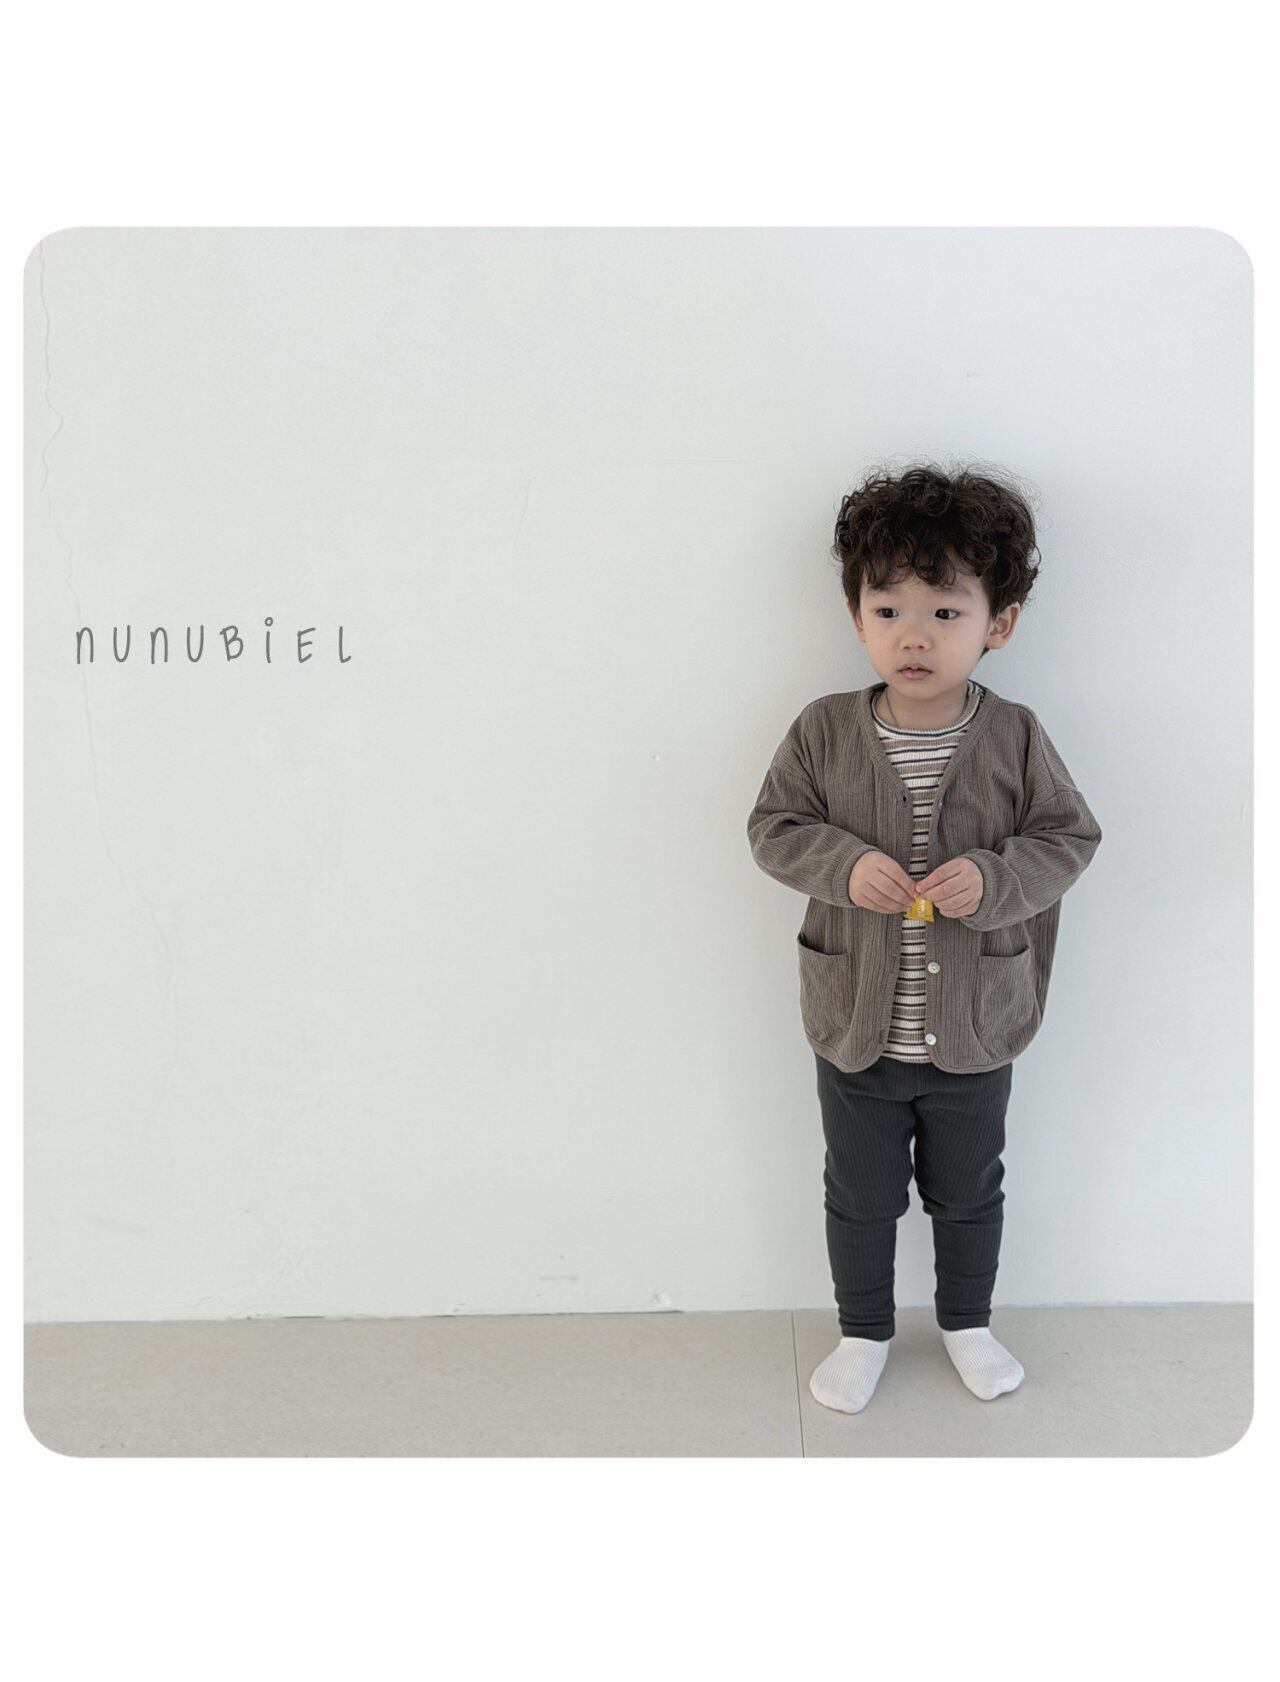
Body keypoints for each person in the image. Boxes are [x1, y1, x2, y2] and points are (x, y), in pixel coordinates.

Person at [746, 464, 1102, 1414]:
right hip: (855, 1028)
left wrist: (992, 879)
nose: (915, 635)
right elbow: (773, 828)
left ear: (999, 623)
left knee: (969, 1192)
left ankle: (967, 1323)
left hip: (977, 1027)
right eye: (888, 609)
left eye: (946, 612)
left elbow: (1068, 838)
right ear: (855, 616)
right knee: (859, 1195)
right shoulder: (823, 730)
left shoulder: (1015, 735)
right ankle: (862, 1331)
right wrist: (840, 864)